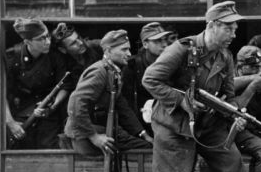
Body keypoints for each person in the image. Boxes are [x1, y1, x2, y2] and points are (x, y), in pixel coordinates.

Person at [142, 1, 256, 172]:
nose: (234, 33)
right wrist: (182, 100)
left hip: (209, 124)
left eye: (235, 27)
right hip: (174, 126)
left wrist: (236, 114)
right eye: (229, 28)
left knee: (232, 162)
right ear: (213, 26)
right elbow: (150, 79)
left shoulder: (225, 56)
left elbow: (228, 95)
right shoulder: (181, 49)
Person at [64, 29, 152, 157]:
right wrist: (94, 137)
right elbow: (75, 105)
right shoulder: (99, 71)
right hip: (85, 137)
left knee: (146, 144)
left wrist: (143, 134)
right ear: (108, 51)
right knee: (147, 149)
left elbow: (123, 108)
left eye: (128, 49)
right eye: (124, 50)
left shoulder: (113, 72)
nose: (128, 54)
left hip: (95, 131)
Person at [5, 18, 72, 149]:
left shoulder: (54, 56)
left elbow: (65, 86)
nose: (47, 41)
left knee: (49, 150)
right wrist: (10, 122)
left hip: (47, 112)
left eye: (47, 36)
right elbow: (0, 93)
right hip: (20, 113)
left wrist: (53, 105)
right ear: (27, 41)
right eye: (41, 39)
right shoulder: (12, 57)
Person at [121, 22, 172, 137]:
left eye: (165, 40)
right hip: (143, 125)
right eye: (158, 41)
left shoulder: (173, 63)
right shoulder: (132, 67)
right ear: (145, 44)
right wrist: (140, 132)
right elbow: (126, 105)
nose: (164, 44)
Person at [51, 22, 103, 87]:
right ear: (63, 50)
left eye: (78, 38)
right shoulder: (64, 64)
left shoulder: (94, 46)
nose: (80, 43)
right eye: (73, 43)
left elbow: (109, 42)